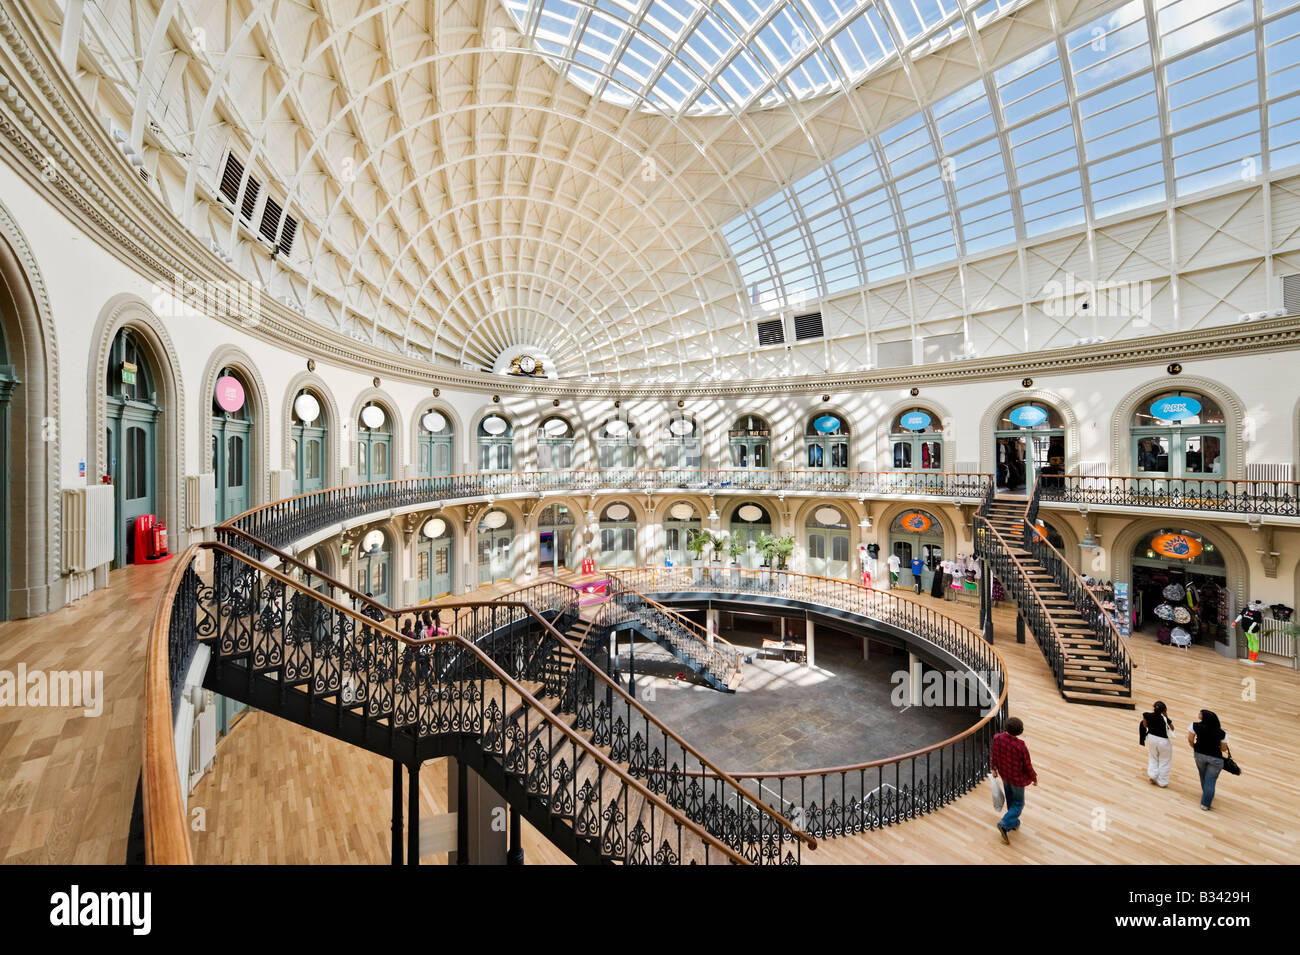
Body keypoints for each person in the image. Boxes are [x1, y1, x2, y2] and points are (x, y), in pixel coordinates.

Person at [991, 716, 1037, 844]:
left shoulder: (997, 738)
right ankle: (1004, 823)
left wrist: (993, 768)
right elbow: (1027, 765)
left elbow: (994, 754)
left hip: (1004, 775)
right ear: (1020, 731)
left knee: (1010, 799)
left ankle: (1014, 822)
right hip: (1017, 779)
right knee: (1018, 804)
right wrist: (1034, 777)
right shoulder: (1020, 746)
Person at [1187, 709, 1229, 810]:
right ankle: (1205, 804)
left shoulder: (1194, 725)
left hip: (1199, 755)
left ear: (1204, 717)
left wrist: (1195, 747)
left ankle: (1206, 793)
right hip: (1215, 758)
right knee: (1210, 780)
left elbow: (1190, 739)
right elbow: (1223, 749)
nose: (1198, 714)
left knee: (1203, 776)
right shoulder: (1222, 733)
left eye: (1200, 713)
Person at [1140, 701, 1174, 787]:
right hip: (1163, 741)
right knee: (1164, 761)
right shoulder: (1165, 719)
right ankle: (1162, 782)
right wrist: (1166, 717)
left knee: (1153, 757)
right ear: (1164, 710)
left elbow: (1145, 725)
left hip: (1151, 738)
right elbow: (1172, 729)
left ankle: (1152, 776)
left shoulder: (1147, 715)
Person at [1231, 600, 1265, 664]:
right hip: (1245, 628)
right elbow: (1241, 616)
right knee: (1249, 641)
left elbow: (1255, 622)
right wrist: (1235, 622)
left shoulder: (1257, 613)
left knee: (1254, 642)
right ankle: (1250, 657)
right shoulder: (1245, 610)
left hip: (1253, 630)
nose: (1252, 605)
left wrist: (1251, 628)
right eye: (1251, 604)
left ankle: (1254, 658)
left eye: (1254, 605)